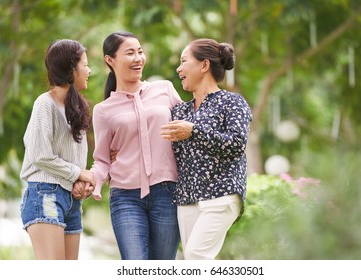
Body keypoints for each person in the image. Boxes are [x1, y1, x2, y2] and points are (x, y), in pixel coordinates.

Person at [90, 31, 182, 260]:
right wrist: (93, 181)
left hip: (167, 192)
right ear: (110, 60)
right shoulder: (103, 110)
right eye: (130, 53)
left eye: (140, 52)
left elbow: (187, 129)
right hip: (125, 196)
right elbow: (102, 159)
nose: (138, 58)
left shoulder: (165, 90)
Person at [160, 38, 252, 260]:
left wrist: (195, 132)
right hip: (187, 199)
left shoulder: (232, 102)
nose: (178, 68)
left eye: (184, 61)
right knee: (193, 261)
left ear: (204, 65)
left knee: (196, 255)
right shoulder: (179, 112)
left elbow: (236, 144)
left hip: (222, 193)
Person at [20, 39, 95, 260]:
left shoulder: (76, 108)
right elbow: (40, 155)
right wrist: (79, 174)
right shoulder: (45, 104)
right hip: (46, 197)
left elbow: (75, 162)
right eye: (85, 64)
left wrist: (80, 183)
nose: (89, 70)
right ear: (72, 68)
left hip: (71, 201)